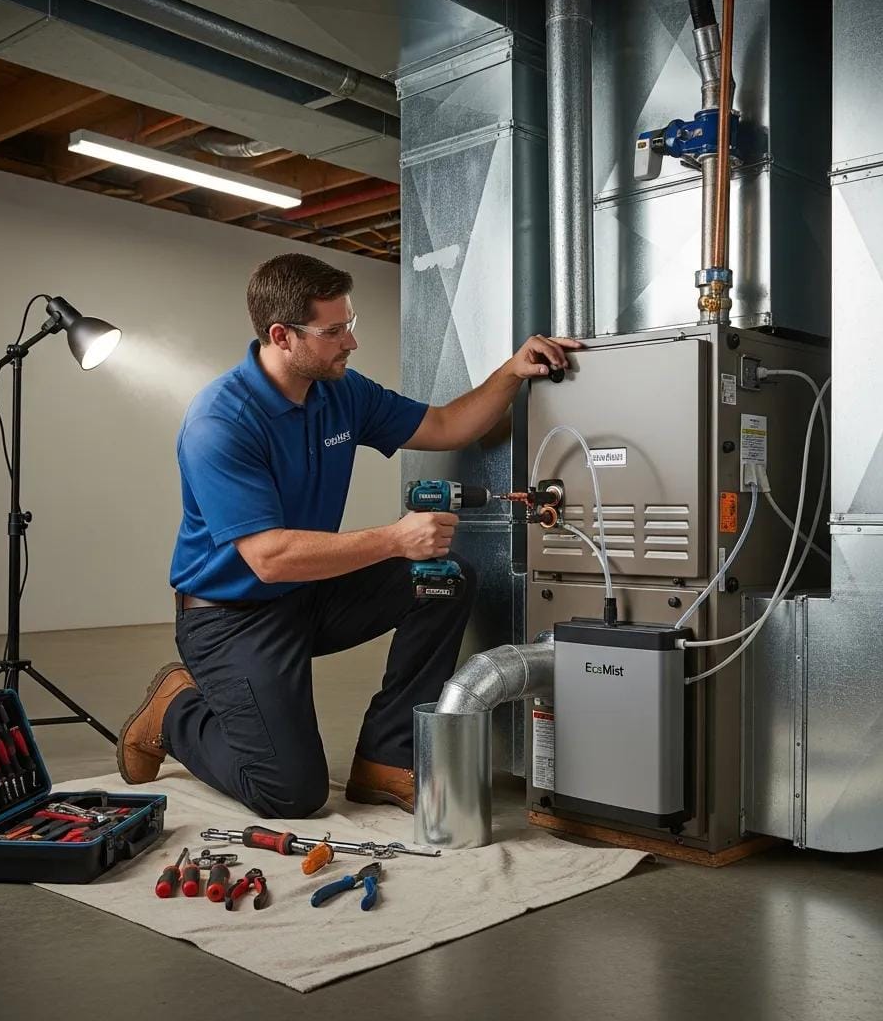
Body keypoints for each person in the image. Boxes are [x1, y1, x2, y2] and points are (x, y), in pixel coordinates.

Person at [115, 252, 578, 818]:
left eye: (349, 324)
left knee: (443, 579)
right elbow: (269, 558)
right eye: (333, 332)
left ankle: (387, 756)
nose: (350, 342)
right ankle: (174, 712)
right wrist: (395, 539)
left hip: (308, 595)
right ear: (282, 336)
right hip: (231, 618)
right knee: (290, 793)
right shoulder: (221, 422)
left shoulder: (341, 393)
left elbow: (446, 425)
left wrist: (511, 372)